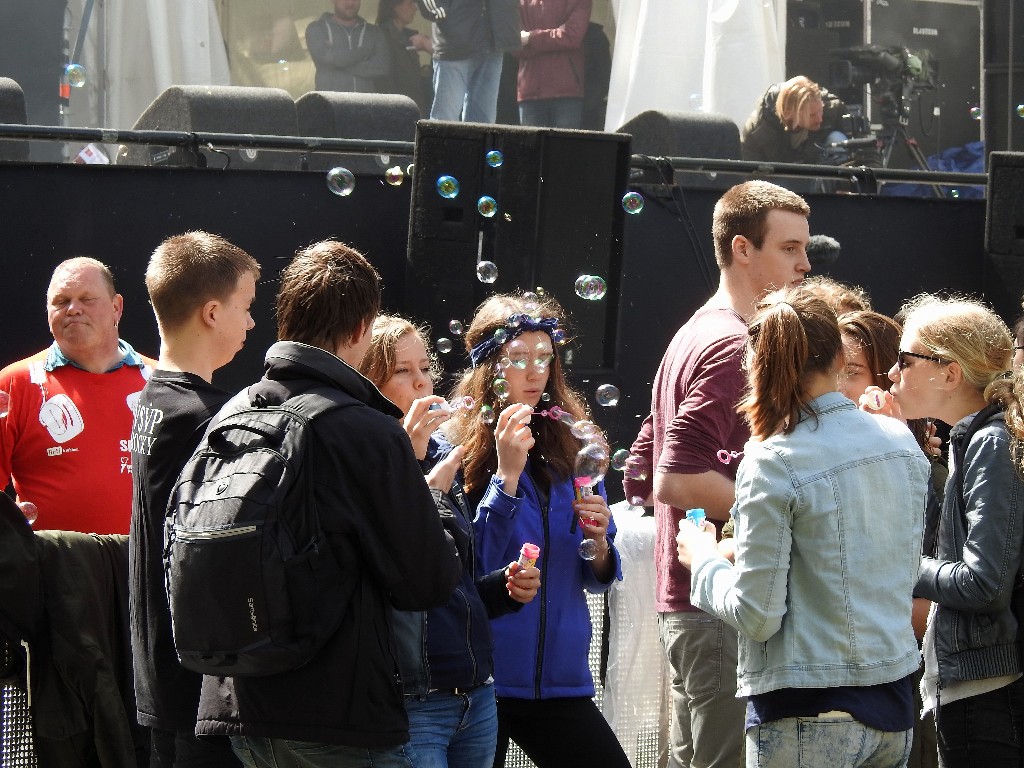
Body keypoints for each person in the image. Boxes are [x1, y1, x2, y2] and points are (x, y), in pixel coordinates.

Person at [196, 240, 462, 768]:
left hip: (236, 704)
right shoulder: (364, 429)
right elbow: (427, 580)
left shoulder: (231, 412)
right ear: (362, 327)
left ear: (284, 317)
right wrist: (427, 496)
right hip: (334, 712)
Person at [676, 285, 932, 768]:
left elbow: (757, 615)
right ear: (840, 356)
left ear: (757, 364)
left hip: (805, 713)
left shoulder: (773, 459)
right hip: (893, 708)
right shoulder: (899, 438)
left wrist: (704, 561)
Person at [624, 180, 812, 768]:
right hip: (715, 607)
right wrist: (788, 516)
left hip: (698, 600)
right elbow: (673, 479)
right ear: (741, 249)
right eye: (790, 248)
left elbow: (637, 468)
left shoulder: (695, 331)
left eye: (805, 249)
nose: (805, 264)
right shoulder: (732, 343)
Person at [443, 292, 631, 768]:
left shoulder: (572, 447)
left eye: (545, 359)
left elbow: (594, 574)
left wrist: (599, 542)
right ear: (489, 367)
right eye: (518, 359)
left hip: (562, 680)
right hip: (485, 679)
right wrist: (506, 478)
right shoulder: (454, 450)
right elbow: (472, 566)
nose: (534, 373)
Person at [359, 314, 541, 768]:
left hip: (475, 690)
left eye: (424, 367)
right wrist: (410, 466)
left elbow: (454, 577)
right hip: (413, 699)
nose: (422, 382)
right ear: (368, 381)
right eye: (403, 371)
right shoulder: (362, 458)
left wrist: (500, 589)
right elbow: (388, 575)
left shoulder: (443, 454)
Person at [129, 232, 260, 767]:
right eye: (246, 307)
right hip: (196, 681)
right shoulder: (203, 417)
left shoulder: (152, 399)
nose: (252, 323)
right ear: (212, 312)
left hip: (161, 670)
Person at [877, 294, 1024, 767]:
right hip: (973, 688)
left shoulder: (991, 442)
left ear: (950, 372)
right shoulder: (971, 440)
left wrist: (896, 567)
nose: (892, 374)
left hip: (989, 694)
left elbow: (984, 584)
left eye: (905, 360)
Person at [0, 257, 154, 535]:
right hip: (50, 571)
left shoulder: (159, 382)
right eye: (61, 301)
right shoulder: (15, 383)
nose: (73, 309)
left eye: (87, 299)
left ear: (116, 307)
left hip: (145, 572)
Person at [416, 0, 521, 122]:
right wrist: (442, 12)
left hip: (493, 41)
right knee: (444, 122)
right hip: (455, 44)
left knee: (483, 125)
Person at [740, 75, 852, 165]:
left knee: (837, 138)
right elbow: (752, 176)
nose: (820, 118)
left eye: (820, 110)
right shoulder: (758, 131)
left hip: (822, 174)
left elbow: (857, 147)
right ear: (789, 113)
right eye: (811, 115)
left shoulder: (833, 109)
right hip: (780, 182)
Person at [515, 0, 591, 129]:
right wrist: (552, 40)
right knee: (535, 147)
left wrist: (530, 39)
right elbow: (514, 43)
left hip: (561, 92)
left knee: (561, 146)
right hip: (537, 91)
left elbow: (572, 36)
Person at [306, 0, 391, 93]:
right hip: (330, 104)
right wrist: (364, 52)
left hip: (365, 104)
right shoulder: (317, 29)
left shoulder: (374, 32)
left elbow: (382, 67)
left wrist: (337, 64)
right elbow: (325, 58)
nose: (350, 3)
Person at [376, 0, 434, 116]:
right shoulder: (381, 37)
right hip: (393, 111)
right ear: (395, 6)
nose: (415, 8)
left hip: (413, 109)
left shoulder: (410, 36)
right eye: (410, 3)